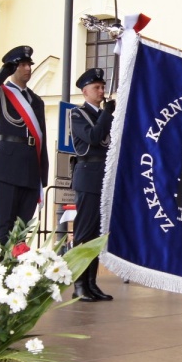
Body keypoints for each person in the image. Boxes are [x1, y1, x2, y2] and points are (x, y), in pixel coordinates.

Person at [0, 45, 49, 245]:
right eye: (22, 65)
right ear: (13, 68)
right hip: (5, 167)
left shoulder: (36, 101)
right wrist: (3, 72)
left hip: (30, 169)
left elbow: (42, 139)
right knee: (1, 228)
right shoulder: (0, 93)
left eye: (29, 64)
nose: (28, 69)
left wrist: (43, 175)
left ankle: (17, 274)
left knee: (21, 232)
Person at [69, 68, 115, 302]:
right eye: (96, 87)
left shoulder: (105, 116)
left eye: (102, 86)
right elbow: (95, 137)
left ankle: (91, 283)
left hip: (104, 176)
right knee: (84, 232)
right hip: (88, 175)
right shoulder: (78, 115)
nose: (101, 90)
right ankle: (79, 283)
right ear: (85, 91)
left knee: (97, 233)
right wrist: (107, 114)